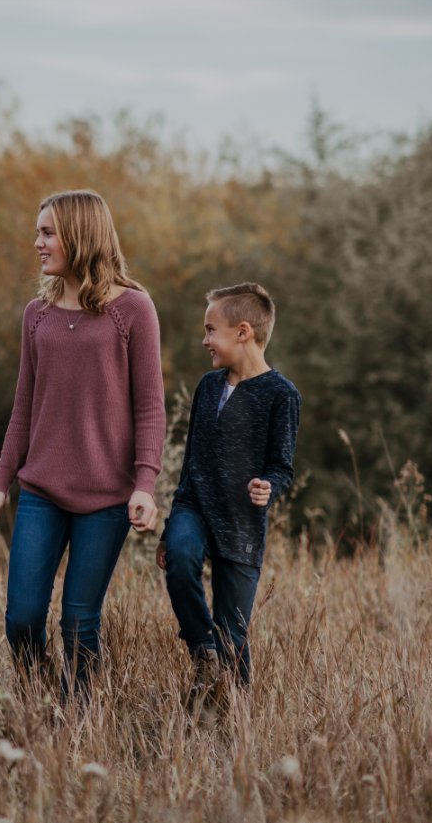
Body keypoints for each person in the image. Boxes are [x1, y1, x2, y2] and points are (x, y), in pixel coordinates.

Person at [0, 189, 165, 698]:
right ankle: (39, 701)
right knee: (22, 619)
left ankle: (76, 722)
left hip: (107, 496)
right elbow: (23, 408)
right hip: (41, 491)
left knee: (80, 622)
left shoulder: (133, 309)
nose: (37, 243)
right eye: (38, 232)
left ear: (80, 235)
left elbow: (150, 407)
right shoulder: (36, 314)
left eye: (48, 233)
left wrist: (145, 484)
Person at [155, 283, 300, 704]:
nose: (204, 340)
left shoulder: (282, 395)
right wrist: (170, 526)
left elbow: (282, 467)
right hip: (194, 507)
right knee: (180, 557)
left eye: (210, 330)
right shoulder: (207, 386)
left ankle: (231, 717)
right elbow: (191, 461)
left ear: (243, 332)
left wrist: (268, 486)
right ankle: (202, 651)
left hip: (241, 525)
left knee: (232, 636)